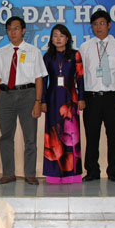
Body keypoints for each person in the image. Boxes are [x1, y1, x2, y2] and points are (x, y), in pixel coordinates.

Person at [0, 16, 48, 185]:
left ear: (23, 30)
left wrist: (38, 101)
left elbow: (39, 79)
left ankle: (30, 173)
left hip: (28, 95)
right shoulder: (1, 52)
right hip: (6, 96)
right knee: (6, 137)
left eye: (16, 28)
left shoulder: (34, 51)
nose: (12, 32)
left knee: (30, 137)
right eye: (9, 29)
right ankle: (8, 173)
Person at [79, 10, 115, 182]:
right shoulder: (85, 47)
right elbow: (80, 76)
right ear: (91, 27)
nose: (99, 27)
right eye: (95, 24)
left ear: (109, 25)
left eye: (102, 23)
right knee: (92, 137)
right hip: (92, 98)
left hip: (113, 97)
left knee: (114, 137)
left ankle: (113, 171)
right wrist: (81, 97)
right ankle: (92, 171)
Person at [40, 24, 84, 183]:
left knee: (71, 135)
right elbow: (43, 81)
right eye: (55, 35)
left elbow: (80, 78)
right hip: (52, 99)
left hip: (70, 99)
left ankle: (72, 174)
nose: (58, 39)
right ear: (51, 39)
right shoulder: (47, 57)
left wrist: (81, 98)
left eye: (61, 35)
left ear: (67, 38)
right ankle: (53, 174)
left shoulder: (75, 55)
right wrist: (42, 100)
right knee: (53, 135)